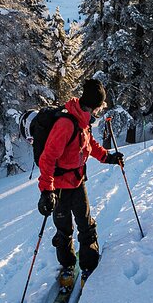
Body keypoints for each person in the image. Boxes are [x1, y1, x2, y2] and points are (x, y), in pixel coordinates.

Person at [37, 78, 125, 284]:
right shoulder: (66, 124)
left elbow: (90, 144)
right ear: (93, 105)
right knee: (64, 229)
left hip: (77, 183)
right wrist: (46, 191)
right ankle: (67, 266)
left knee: (86, 224)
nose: (99, 112)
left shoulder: (82, 121)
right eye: (100, 107)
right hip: (58, 188)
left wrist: (107, 157)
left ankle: (89, 264)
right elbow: (48, 158)